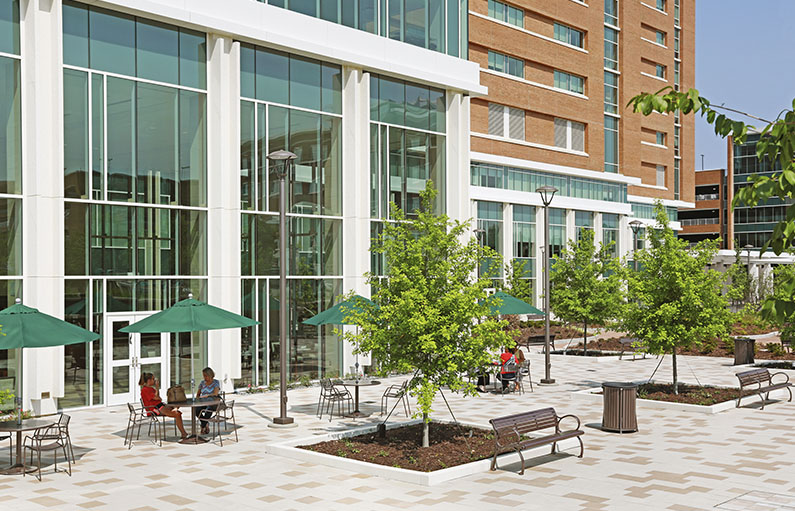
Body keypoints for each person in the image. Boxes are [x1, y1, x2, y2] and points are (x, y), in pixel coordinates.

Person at [139, 372, 188, 440]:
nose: (154, 380)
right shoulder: (145, 390)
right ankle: (184, 434)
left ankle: (174, 409)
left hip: (160, 406)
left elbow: (158, 397)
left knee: (176, 403)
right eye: (153, 379)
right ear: (149, 380)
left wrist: (157, 390)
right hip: (154, 409)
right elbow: (156, 397)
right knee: (177, 414)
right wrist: (157, 388)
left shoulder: (151, 389)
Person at [195, 367, 221, 435]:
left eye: (206, 376)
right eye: (203, 376)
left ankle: (203, 426)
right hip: (202, 402)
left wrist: (207, 395)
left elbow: (215, 393)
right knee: (196, 410)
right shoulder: (202, 383)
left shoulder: (216, 382)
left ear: (210, 375)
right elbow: (198, 394)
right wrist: (197, 400)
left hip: (212, 402)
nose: (204, 377)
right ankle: (205, 424)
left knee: (208, 410)